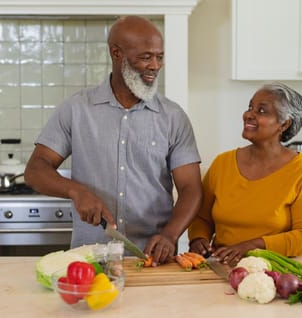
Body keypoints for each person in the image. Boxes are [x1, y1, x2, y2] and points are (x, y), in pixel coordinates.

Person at [24, 16, 202, 265]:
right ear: (116, 53)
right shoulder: (76, 109)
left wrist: (170, 235)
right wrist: (76, 191)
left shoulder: (173, 117)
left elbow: (191, 189)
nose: (155, 65)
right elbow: (35, 169)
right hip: (89, 259)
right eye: (145, 57)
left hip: (152, 260)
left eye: (159, 57)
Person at [188, 82, 302, 266]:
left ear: (284, 124)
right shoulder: (223, 163)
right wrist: (198, 239)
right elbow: (201, 217)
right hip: (222, 267)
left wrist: (251, 246)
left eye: (261, 111)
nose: (249, 115)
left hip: (278, 271)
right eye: (250, 107)